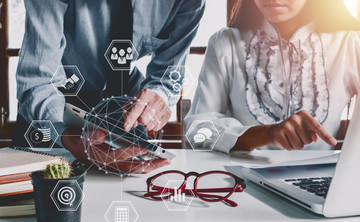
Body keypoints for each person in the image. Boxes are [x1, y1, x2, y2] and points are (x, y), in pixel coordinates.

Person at [15, 0, 205, 173]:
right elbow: (38, 79)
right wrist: (69, 137)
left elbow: (168, 74)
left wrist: (158, 96)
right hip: (49, 114)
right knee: (37, 203)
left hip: (122, 109)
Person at [185, 0, 360, 153]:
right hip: (242, 183)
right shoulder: (225, 43)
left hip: (324, 185)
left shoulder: (349, 44)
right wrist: (266, 134)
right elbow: (196, 133)